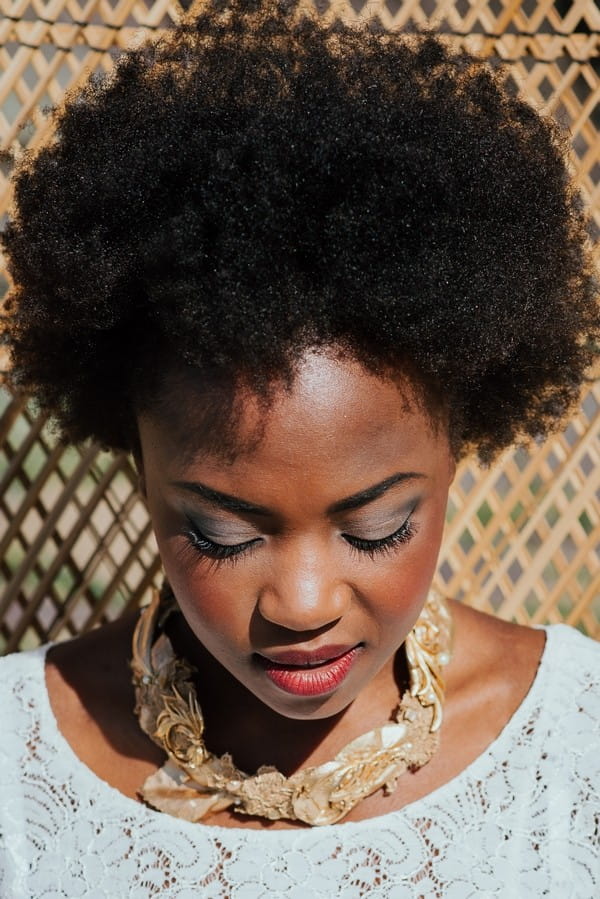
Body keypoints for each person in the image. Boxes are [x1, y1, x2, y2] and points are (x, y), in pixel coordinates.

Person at [1, 0, 599, 894]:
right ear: (136, 460)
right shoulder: (20, 774)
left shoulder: (575, 755)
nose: (304, 602)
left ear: (456, 450)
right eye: (221, 534)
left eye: (380, 525)